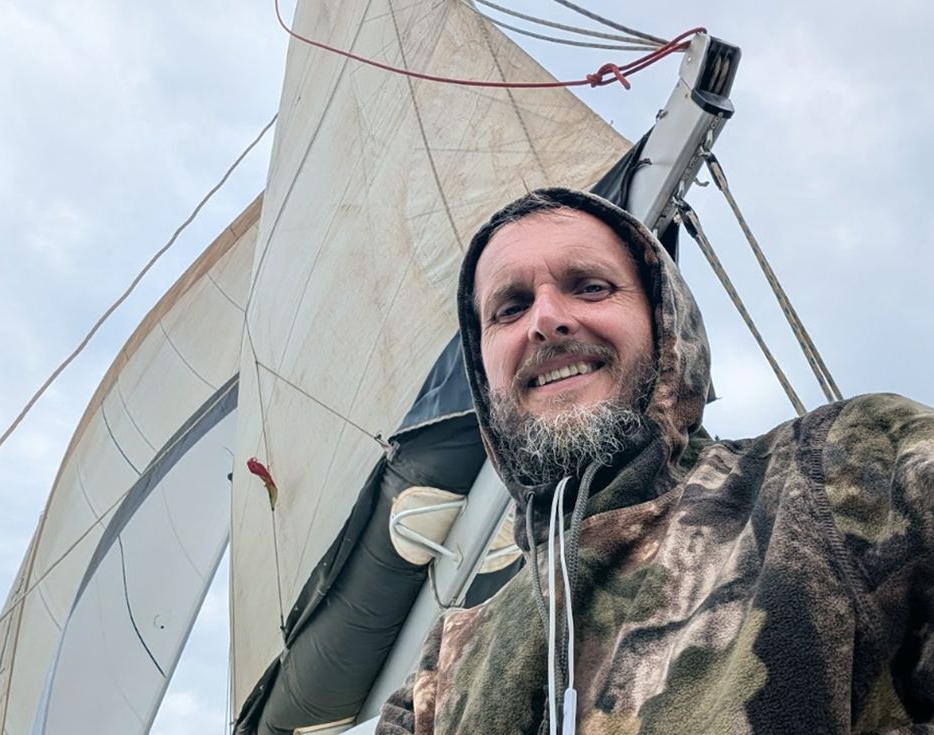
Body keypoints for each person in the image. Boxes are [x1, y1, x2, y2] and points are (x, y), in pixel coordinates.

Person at [376, 187, 934, 734]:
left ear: (664, 324)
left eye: (590, 287)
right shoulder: (440, 671)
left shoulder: (851, 466)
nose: (545, 320)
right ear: (483, 368)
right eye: (511, 307)